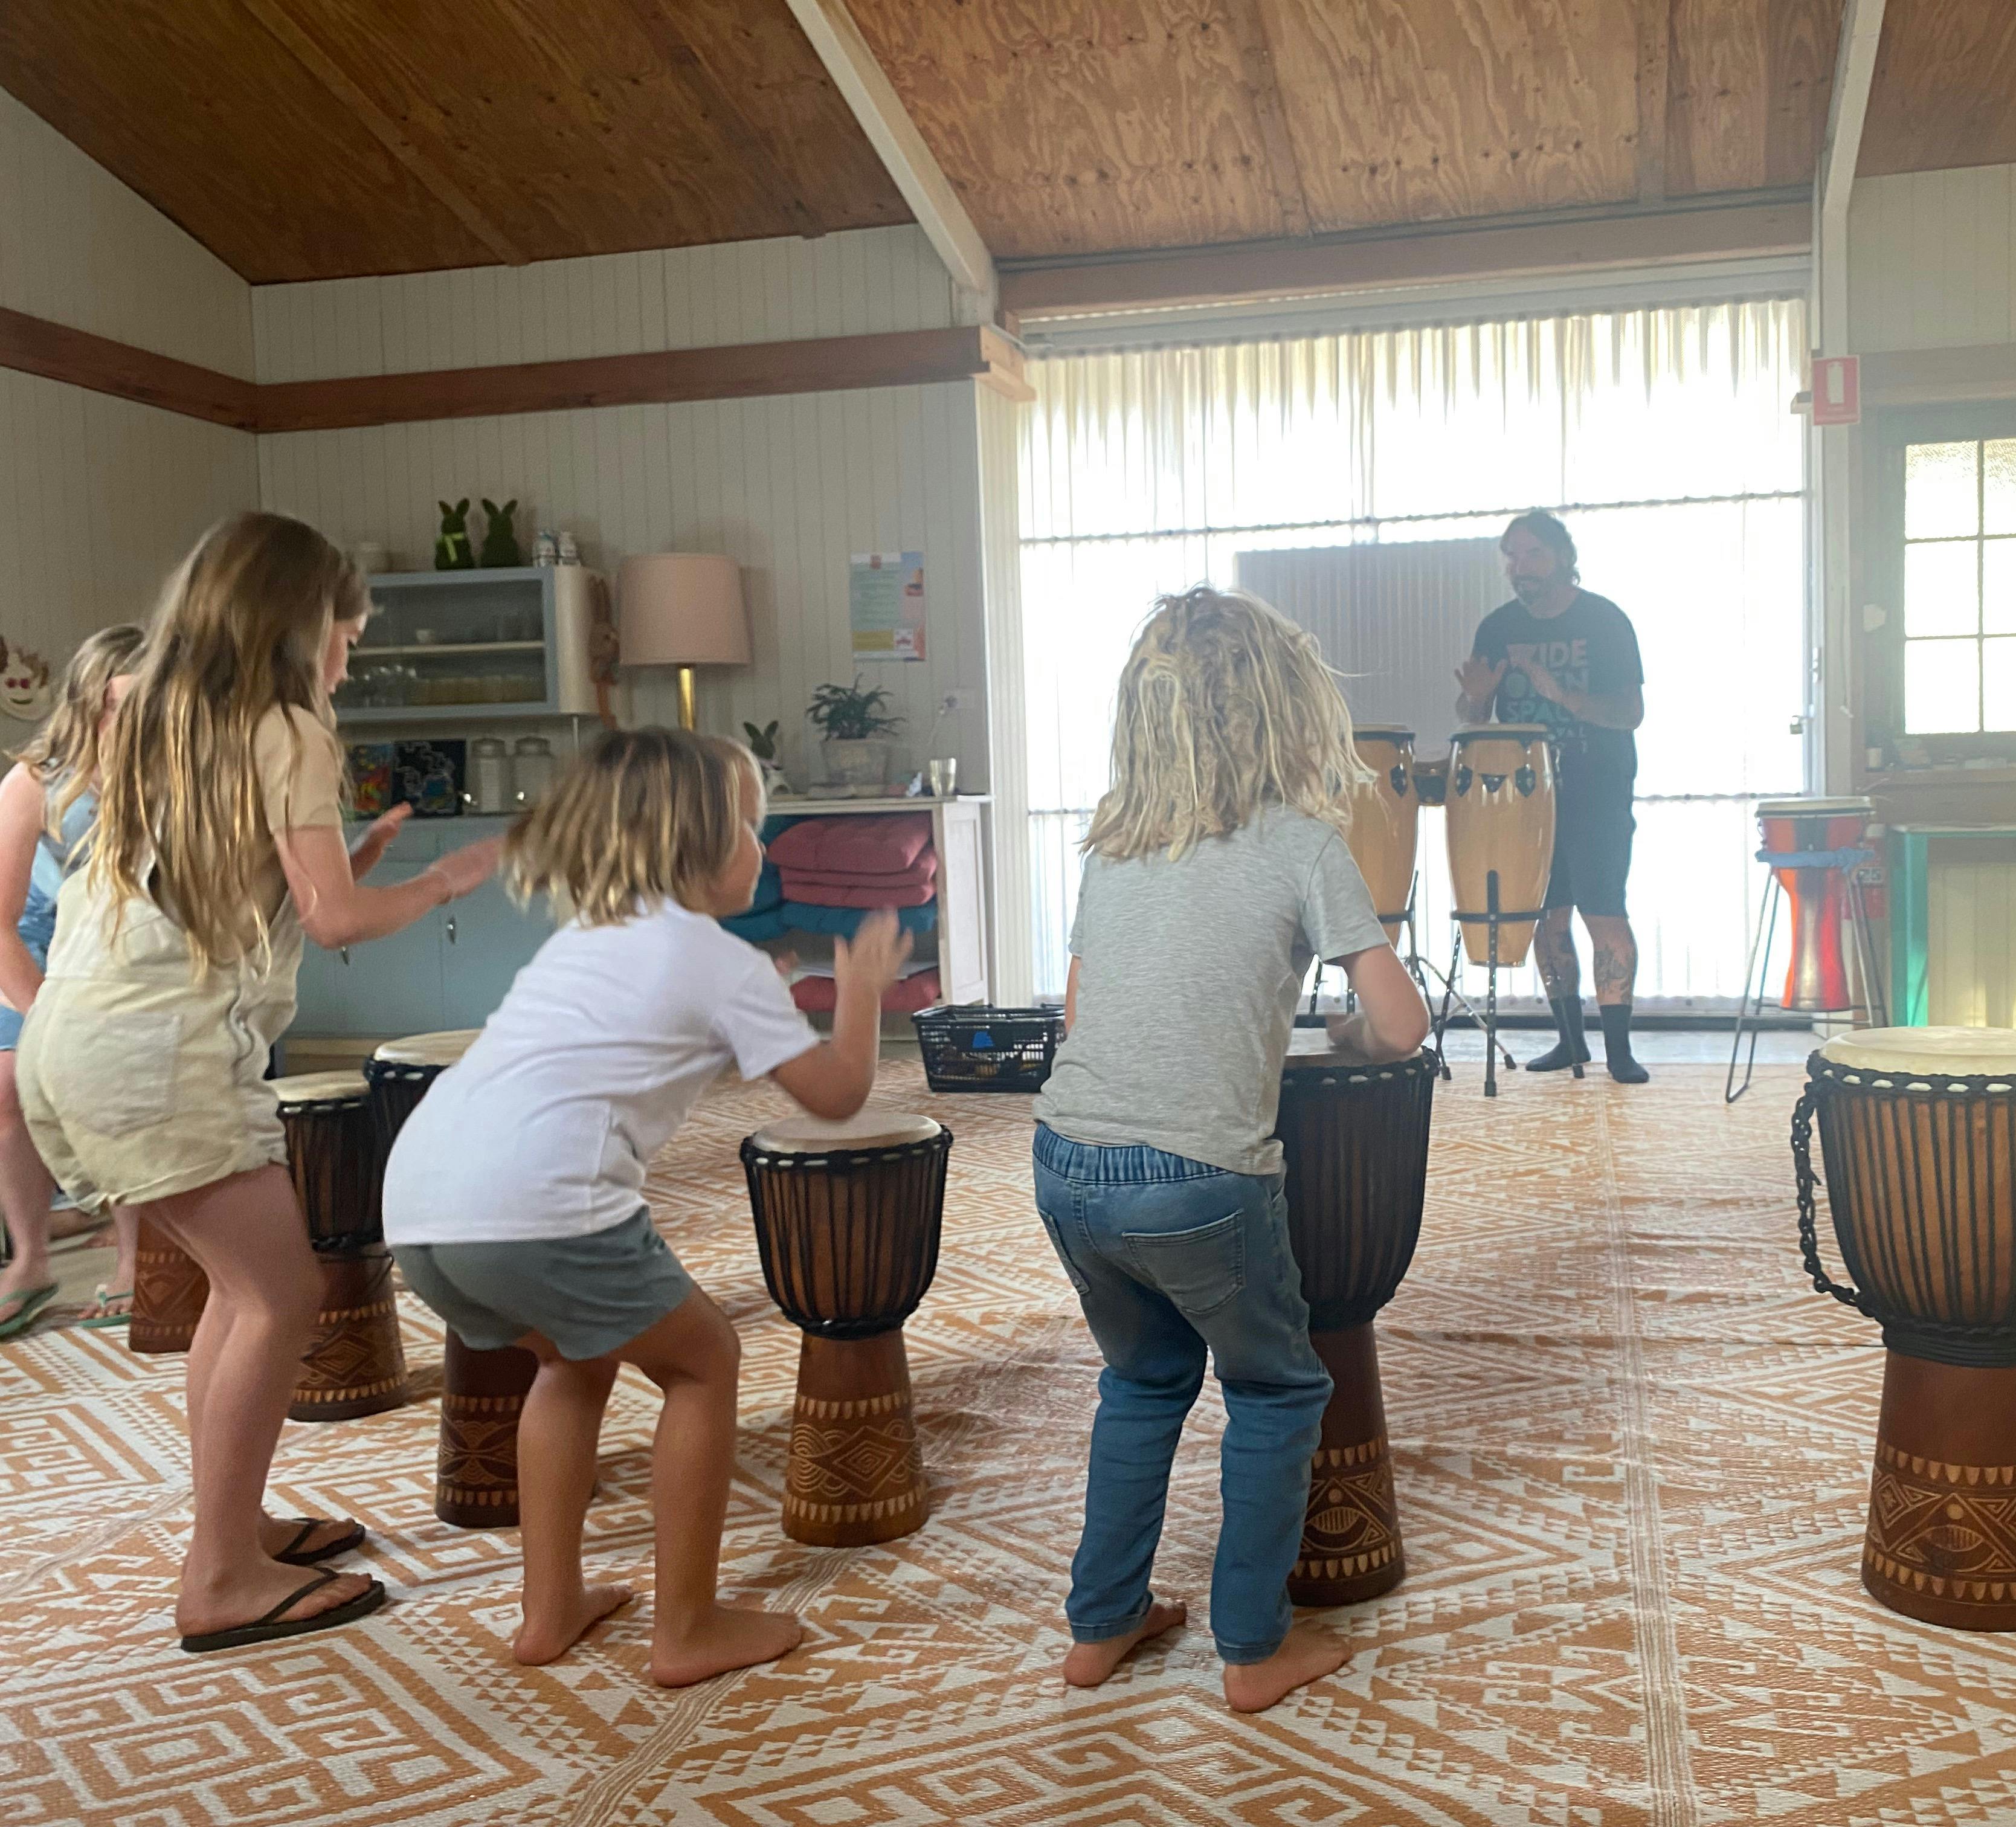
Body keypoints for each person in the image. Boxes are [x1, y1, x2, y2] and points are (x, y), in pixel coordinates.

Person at [18, 512, 501, 1652]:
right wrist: (437, 882)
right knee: (280, 1294)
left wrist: (342, 872)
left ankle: (234, 1527)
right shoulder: (290, 726)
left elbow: (260, 896)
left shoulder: (149, 713)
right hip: (159, 1054)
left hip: (81, 1036)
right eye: (345, 633)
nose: (349, 658)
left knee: (242, 1295)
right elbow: (340, 920)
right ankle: (221, 1575)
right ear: (298, 625)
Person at [383, 727, 907, 1689]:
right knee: (705, 1360)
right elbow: (836, 1094)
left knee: (571, 1364)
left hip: (421, 1202)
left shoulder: (587, 937)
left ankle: (549, 1613)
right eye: (752, 830)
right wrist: (864, 993)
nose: (765, 849)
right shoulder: (721, 962)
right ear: (700, 844)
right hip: (544, 1204)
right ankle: (689, 1627)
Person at [1033, 585, 1432, 1713]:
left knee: (1142, 1378)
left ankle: (1100, 1622)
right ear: (1282, 713)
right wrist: (1348, 1023)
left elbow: (1081, 1014)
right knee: (1273, 1386)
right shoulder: (1303, 843)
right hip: (1198, 1179)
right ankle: (1252, 1647)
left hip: (1067, 1161)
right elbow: (1400, 1025)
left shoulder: (1112, 842)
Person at [1454, 509, 1649, 1083]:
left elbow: (1630, 713)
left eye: (1533, 553)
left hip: (1598, 792)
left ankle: (1619, 1051)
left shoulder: (1605, 621)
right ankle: (1570, 1042)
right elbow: (1473, 718)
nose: (1520, 566)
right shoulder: (1496, 628)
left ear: (1562, 557)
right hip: (1526, 803)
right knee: (1546, 919)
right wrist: (1476, 699)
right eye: (1511, 555)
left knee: (1604, 913)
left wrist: (1559, 692)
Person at [0, 624, 145, 1335]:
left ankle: (132, 1253)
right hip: (27, 948)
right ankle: (28, 1262)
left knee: (111, 1085)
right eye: (120, 705)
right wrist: (44, 1023)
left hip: (109, 952)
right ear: (87, 703)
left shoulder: (170, 779)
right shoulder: (33, 780)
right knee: (7, 1085)